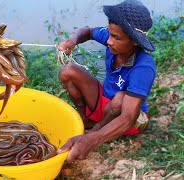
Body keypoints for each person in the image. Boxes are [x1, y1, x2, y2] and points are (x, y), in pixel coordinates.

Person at [56, 0, 156, 163]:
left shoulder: (144, 67)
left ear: (135, 41)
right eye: (109, 34)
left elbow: (128, 118)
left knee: (119, 99)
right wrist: (73, 40)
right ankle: (85, 118)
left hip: (128, 119)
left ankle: (97, 129)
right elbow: (87, 31)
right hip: (106, 101)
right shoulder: (113, 40)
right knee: (67, 71)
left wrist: (93, 139)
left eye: (116, 37)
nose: (109, 41)